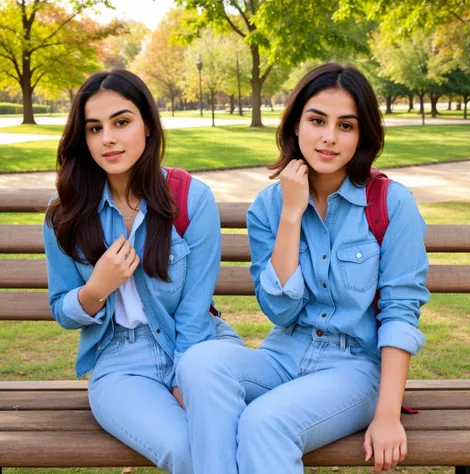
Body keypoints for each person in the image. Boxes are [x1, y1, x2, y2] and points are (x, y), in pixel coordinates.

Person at [176, 62, 430, 474]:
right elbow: (279, 311)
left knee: (264, 423)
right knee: (200, 362)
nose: (329, 137)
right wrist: (292, 215)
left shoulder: (392, 204)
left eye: (346, 126)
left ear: (361, 134)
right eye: (317, 120)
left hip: (354, 368)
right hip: (282, 354)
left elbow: (401, 312)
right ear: (296, 125)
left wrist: (387, 415)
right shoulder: (269, 207)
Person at [43, 69, 242, 474]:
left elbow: (196, 306)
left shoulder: (191, 198)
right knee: (187, 449)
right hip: (120, 361)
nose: (108, 139)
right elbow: (61, 308)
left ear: (147, 126)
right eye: (94, 128)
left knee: (241, 435)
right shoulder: (64, 212)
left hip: (199, 347)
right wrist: (96, 288)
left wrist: (186, 376)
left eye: (121, 122)